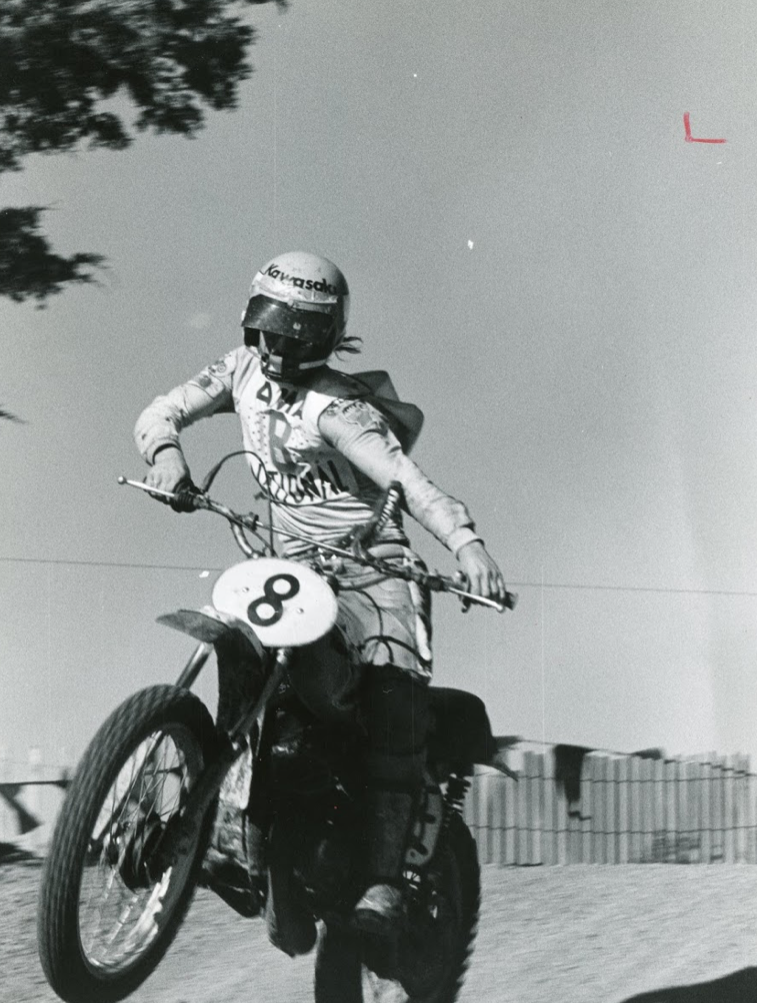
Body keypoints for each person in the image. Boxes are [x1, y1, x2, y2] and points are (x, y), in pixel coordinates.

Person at [134, 251, 508, 936]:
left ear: (328, 337)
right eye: (267, 327)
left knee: (394, 692)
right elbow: (165, 409)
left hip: (374, 573)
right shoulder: (241, 370)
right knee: (244, 661)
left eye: (297, 334)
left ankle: (385, 882)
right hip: (288, 565)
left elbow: (408, 482)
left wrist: (466, 545)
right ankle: (230, 828)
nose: (277, 347)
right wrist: (165, 455)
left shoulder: (342, 412)